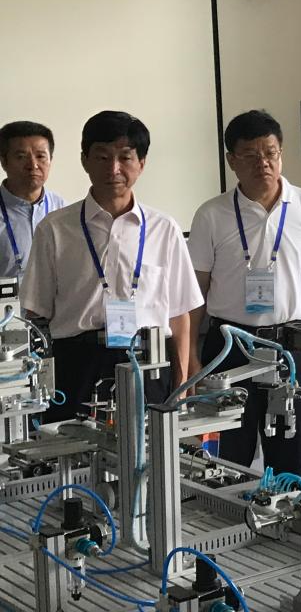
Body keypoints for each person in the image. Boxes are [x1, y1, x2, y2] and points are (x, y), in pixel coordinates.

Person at [21, 111, 203, 421]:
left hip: (149, 362)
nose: (114, 168)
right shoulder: (55, 229)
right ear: (85, 160)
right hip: (77, 364)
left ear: (141, 163)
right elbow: (36, 314)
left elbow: (179, 314)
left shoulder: (164, 229)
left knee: (150, 449)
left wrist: (181, 385)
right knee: (74, 448)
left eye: (125, 157)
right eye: (103, 157)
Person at [188, 110, 301, 478]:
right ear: (231, 160)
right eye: (251, 155)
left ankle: (285, 512)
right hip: (229, 347)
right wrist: (189, 357)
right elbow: (195, 292)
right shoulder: (211, 214)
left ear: (281, 153)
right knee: (226, 458)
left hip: (289, 345)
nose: (263, 163)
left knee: (288, 454)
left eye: (271, 153)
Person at [0, 121, 65, 279]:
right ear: (4, 162)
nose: (33, 165)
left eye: (41, 156)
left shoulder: (63, 210)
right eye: (21, 157)